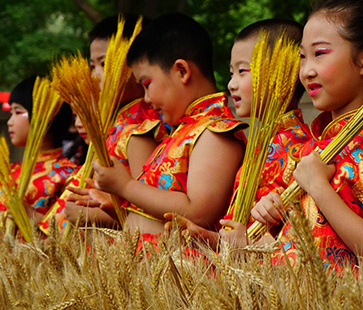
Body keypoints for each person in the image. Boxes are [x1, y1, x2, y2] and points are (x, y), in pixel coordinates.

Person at [249, 0, 363, 268]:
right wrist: (275, 222)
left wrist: (317, 187)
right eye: (303, 56)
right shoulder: (308, 149)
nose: (306, 70)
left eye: (320, 54)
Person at [90, 13, 247, 237]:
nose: (145, 98)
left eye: (147, 84)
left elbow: (199, 212)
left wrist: (125, 187)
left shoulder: (216, 131)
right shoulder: (182, 132)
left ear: (182, 71)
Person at [165, 18, 312, 248]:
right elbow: (239, 239)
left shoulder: (300, 151)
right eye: (231, 73)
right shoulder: (262, 143)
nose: (232, 84)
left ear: (280, 72)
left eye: (243, 71)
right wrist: (204, 236)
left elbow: (291, 244)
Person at [40, 14, 168, 234]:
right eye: (93, 65)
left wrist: (93, 215)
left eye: (104, 63)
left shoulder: (142, 128)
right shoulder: (116, 124)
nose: (95, 75)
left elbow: (146, 213)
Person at [1, 76, 76, 223]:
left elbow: (68, 233)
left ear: (43, 115)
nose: (10, 122)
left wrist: (33, 216)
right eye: (10, 114)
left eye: (17, 112)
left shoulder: (68, 176)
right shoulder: (10, 171)